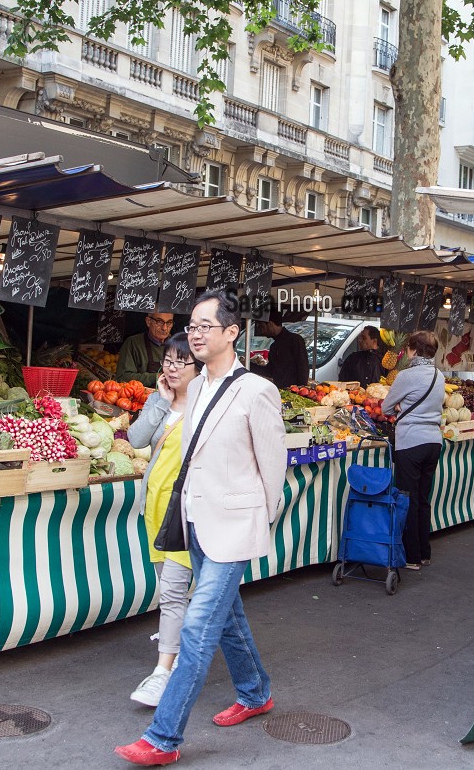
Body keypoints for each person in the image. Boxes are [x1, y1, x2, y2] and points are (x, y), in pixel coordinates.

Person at [115, 291, 287, 767]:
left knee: (197, 626)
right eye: (191, 326)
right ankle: (255, 693)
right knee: (227, 618)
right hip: (195, 524)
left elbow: (274, 470)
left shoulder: (257, 390)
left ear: (232, 333)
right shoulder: (198, 389)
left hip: (233, 527)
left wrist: (256, 521)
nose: (194, 334)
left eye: (203, 326)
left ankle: (162, 738)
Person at [125, 333, 201, 707]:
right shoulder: (161, 401)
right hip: (154, 508)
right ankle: (184, 651)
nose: (170, 369)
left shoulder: (206, 405)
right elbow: (137, 438)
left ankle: (163, 673)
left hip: (187, 513)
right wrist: (161, 402)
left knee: (172, 592)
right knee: (174, 591)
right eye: (167, 362)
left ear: (198, 367)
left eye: (179, 363)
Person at [381, 330, 445, 570]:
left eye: (408, 349)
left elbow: (387, 407)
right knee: (422, 498)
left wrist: (399, 407)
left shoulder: (407, 376)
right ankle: (424, 552)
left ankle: (411, 557)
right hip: (433, 441)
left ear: (414, 350)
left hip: (411, 441)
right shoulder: (439, 375)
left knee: (407, 498)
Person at [117, 312, 177, 386]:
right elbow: (122, 378)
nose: (164, 328)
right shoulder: (133, 343)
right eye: (159, 322)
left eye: (169, 323)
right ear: (148, 322)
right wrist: (155, 377)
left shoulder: (177, 346)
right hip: (141, 396)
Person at [257, 306, 309, 388]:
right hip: (280, 391)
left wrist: (300, 390)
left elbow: (303, 369)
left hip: (294, 393)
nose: (261, 331)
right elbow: (270, 371)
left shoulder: (295, 340)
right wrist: (248, 365)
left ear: (270, 324)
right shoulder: (274, 346)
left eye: (262, 326)